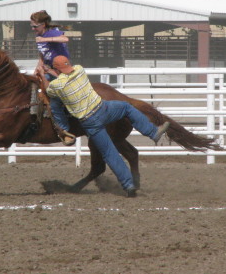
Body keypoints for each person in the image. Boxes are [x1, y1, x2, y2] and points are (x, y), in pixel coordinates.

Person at [38, 55, 170, 197]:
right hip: (103, 109)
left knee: (109, 153)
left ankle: (129, 185)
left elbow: (48, 88)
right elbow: (65, 73)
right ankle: (152, 132)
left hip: (89, 122)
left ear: (57, 71)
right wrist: (54, 71)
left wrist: (43, 74)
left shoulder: (58, 86)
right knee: (126, 107)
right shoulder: (79, 70)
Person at [30, 10, 75, 145]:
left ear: (43, 25)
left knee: (54, 101)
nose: (33, 29)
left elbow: (65, 39)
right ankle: (35, 117)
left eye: (35, 26)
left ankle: (65, 131)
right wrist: (38, 67)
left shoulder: (51, 32)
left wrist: (45, 39)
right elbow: (43, 55)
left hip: (61, 71)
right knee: (31, 87)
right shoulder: (39, 37)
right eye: (31, 26)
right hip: (48, 70)